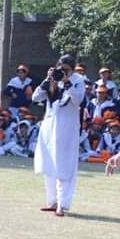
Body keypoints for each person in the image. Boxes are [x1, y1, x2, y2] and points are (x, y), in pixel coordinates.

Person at [33, 55, 84, 217]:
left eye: (67, 69)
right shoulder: (53, 78)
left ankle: (62, 204)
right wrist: (48, 80)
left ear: (72, 69)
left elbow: (78, 100)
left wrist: (67, 82)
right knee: (49, 164)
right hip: (49, 126)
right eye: (61, 68)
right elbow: (35, 97)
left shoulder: (78, 80)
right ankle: (52, 202)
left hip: (67, 129)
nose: (63, 72)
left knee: (64, 166)